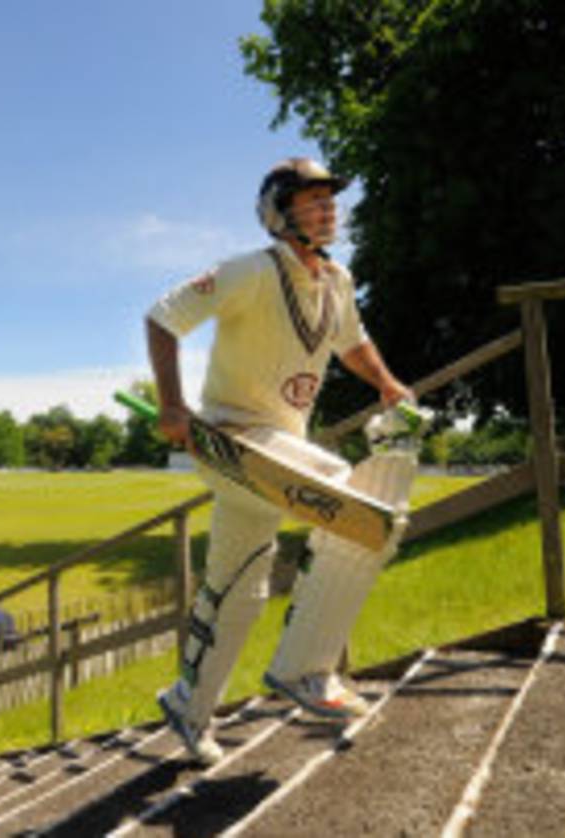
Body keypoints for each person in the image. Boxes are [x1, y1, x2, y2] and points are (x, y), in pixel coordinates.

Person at [145, 157, 414, 765]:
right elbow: (163, 319)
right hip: (231, 439)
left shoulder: (337, 282)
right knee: (354, 506)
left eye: (330, 200)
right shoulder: (250, 271)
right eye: (312, 200)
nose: (327, 209)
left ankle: (189, 704)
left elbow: (352, 342)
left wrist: (389, 385)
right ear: (277, 212)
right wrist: (172, 407)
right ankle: (305, 668)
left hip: (276, 447)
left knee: (239, 586)